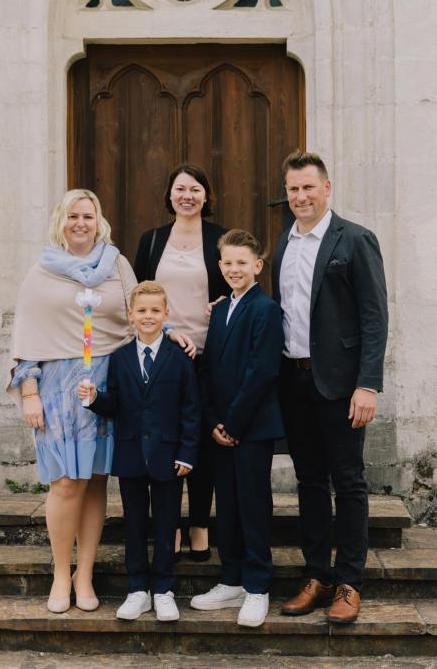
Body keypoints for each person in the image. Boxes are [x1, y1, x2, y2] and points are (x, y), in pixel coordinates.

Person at [7, 189, 194, 614]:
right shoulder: (41, 271)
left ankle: (85, 574)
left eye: (88, 216)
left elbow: (139, 312)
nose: (80, 223)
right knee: (65, 482)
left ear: (99, 221)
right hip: (57, 388)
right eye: (73, 216)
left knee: (94, 481)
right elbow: (25, 333)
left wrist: (171, 333)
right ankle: (61, 572)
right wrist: (29, 392)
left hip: (109, 385)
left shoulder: (116, 265)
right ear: (61, 220)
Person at [272, 151, 388, 625]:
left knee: (349, 482)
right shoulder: (284, 243)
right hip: (294, 380)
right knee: (310, 482)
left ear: (326, 188)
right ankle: (317, 576)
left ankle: (349, 582)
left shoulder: (355, 239)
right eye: (293, 189)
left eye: (308, 187)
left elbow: (374, 317)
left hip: (341, 385)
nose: (301, 196)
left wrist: (368, 384)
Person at [79, 281, 199, 622]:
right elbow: (116, 404)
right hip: (131, 453)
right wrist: (94, 399)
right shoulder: (119, 358)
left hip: (168, 456)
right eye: (142, 310)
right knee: (133, 524)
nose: (148, 316)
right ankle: (137, 589)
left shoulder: (180, 357)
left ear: (166, 314)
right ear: (130, 315)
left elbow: (191, 409)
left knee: (166, 523)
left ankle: (163, 589)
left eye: (155, 310)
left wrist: (187, 452)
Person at [133, 164, 228, 561]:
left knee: (203, 441)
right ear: (169, 195)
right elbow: (139, 294)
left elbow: (236, 286)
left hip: (209, 354)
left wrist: (224, 302)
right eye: (180, 189)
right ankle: (168, 524)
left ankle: (200, 524)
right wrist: (167, 330)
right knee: (165, 438)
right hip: (165, 353)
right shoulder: (153, 240)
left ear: (206, 196)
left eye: (195, 189)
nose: (187, 196)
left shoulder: (221, 238)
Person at [190, 229, 285, 628]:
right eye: (227, 262)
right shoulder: (220, 309)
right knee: (226, 503)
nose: (234, 269)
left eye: (242, 263)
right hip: (222, 427)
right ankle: (231, 579)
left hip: (252, 427)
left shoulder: (265, 310)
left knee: (252, 503)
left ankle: (257, 586)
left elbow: (262, 371)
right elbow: (209, 367)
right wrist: (213, 420)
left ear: (257, 266)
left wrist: (233, 423)